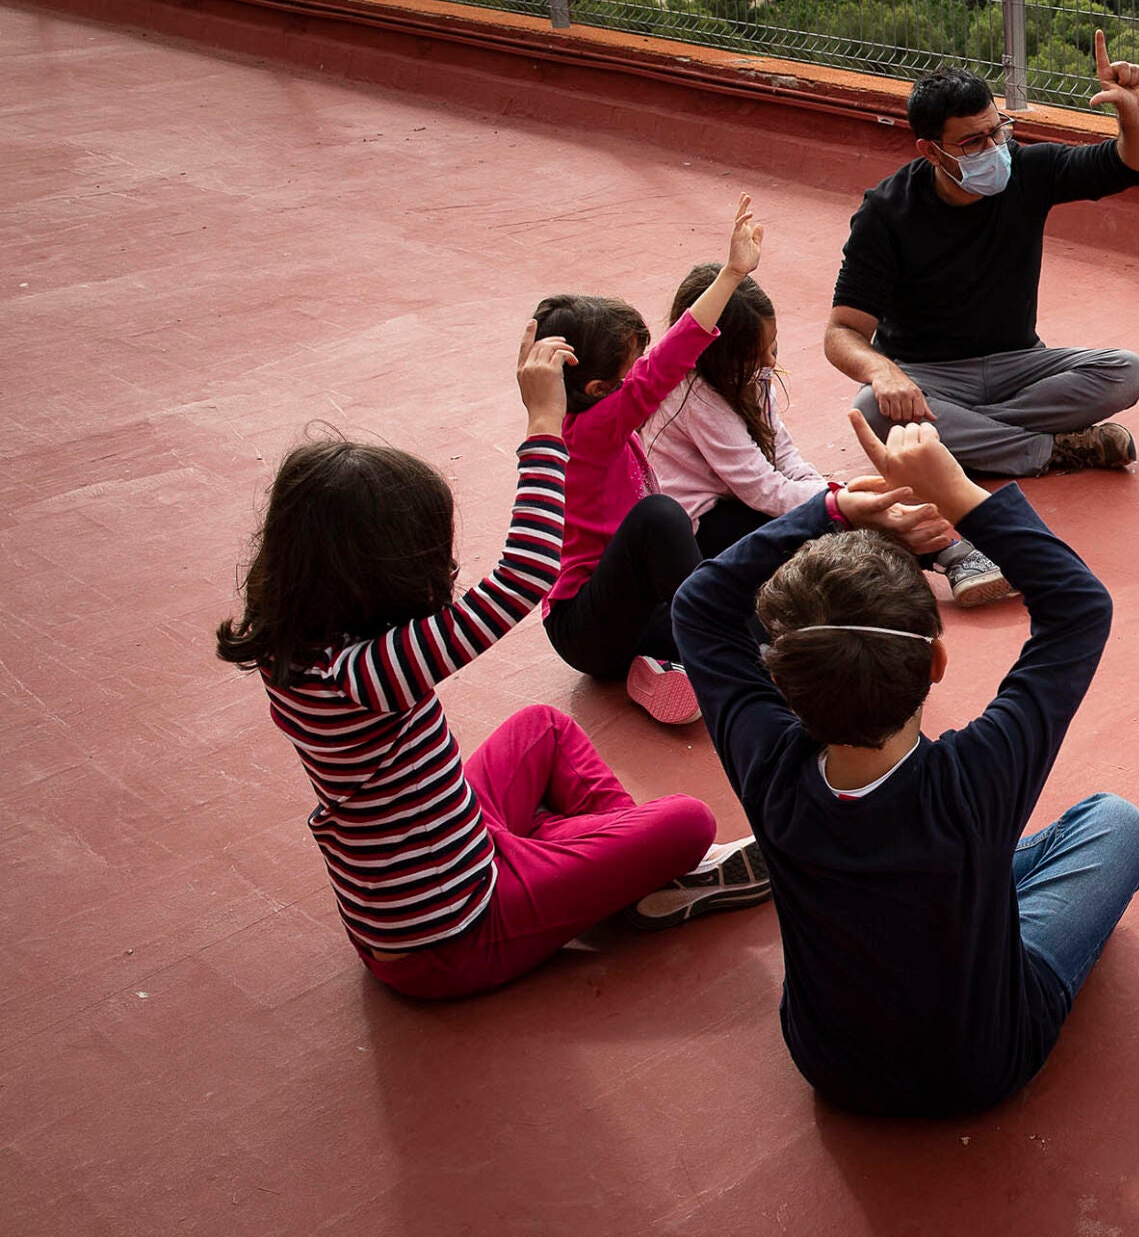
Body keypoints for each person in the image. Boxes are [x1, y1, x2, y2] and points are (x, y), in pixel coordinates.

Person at [213, 324, 771, 1001]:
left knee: (544, 725)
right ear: (374, 575)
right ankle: (636, 872)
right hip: (454, 931)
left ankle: (621, 869)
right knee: (689, 821)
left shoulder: (293, 648)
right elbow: (525, 573)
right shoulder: (369, 670)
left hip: (449, 853)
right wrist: (544, 424)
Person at [670, 413, 1139, 1116]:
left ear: (781, 681)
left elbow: (698, 606)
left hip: (828, 1061)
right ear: (935, 662)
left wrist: (832, 508)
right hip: (981, 1065)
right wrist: (954, 490)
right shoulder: (974, 784)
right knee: (1115, 822)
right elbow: (1079, 607)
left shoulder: (769, 769)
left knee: (978, 869)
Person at [825, 33, 1139, 480]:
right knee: (872, 408)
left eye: (997, 130)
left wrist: (1133, 112)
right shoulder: (886, 212)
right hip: (928, 375)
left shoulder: (1027, 171)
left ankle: (970, 437)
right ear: (930, 151)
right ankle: (1052, 449)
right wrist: (882, 373)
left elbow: (1131, 165)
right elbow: (843, 332)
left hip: (1018, 364)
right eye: (973, 143)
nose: (993, 149)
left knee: (1126, 371)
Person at [645, 262, 1014, 606]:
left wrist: (834, 495)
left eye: (771, 347)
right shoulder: (692, 395)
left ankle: (935, 551)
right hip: (704, 527)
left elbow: (784, 456)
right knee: (822, 524)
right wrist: (840, 505)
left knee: (844, 510)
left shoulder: (750, 375)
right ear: (715, 354)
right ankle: (940, 553)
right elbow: (759, 487)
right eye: (754, 355)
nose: (770, 362)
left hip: (743, 498)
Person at [536, 194, 764, 725]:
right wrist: (730, 275)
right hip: (585, 629)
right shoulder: (589, 432)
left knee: (717, 542)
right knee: (663, 520)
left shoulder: (598, 419)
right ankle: (734, 655)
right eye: (629, 369)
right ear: (597, 387)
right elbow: (665, 364)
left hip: (629, 617)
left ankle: (660, 667)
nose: (642, 372)